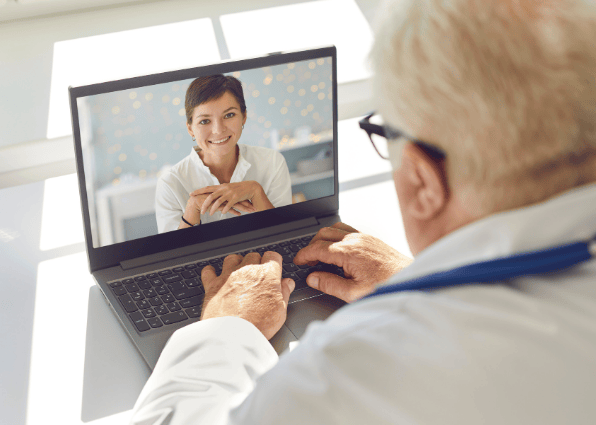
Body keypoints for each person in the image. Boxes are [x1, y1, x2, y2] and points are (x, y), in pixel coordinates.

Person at [132, 0, 596, 423]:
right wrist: (414, 282)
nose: (218, 128)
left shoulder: (341, 381)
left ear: (422, 182)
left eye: (385, 133)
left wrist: (227, 329)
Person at [155, 74, 292, 233]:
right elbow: (173, 255)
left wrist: (256, 191)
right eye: (205, 121)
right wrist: (191, 210)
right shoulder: (170, 183)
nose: (218, 130)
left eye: (229, 115)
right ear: (190, 128)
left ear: (244, 117)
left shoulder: (272, 162)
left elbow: (285, 235)